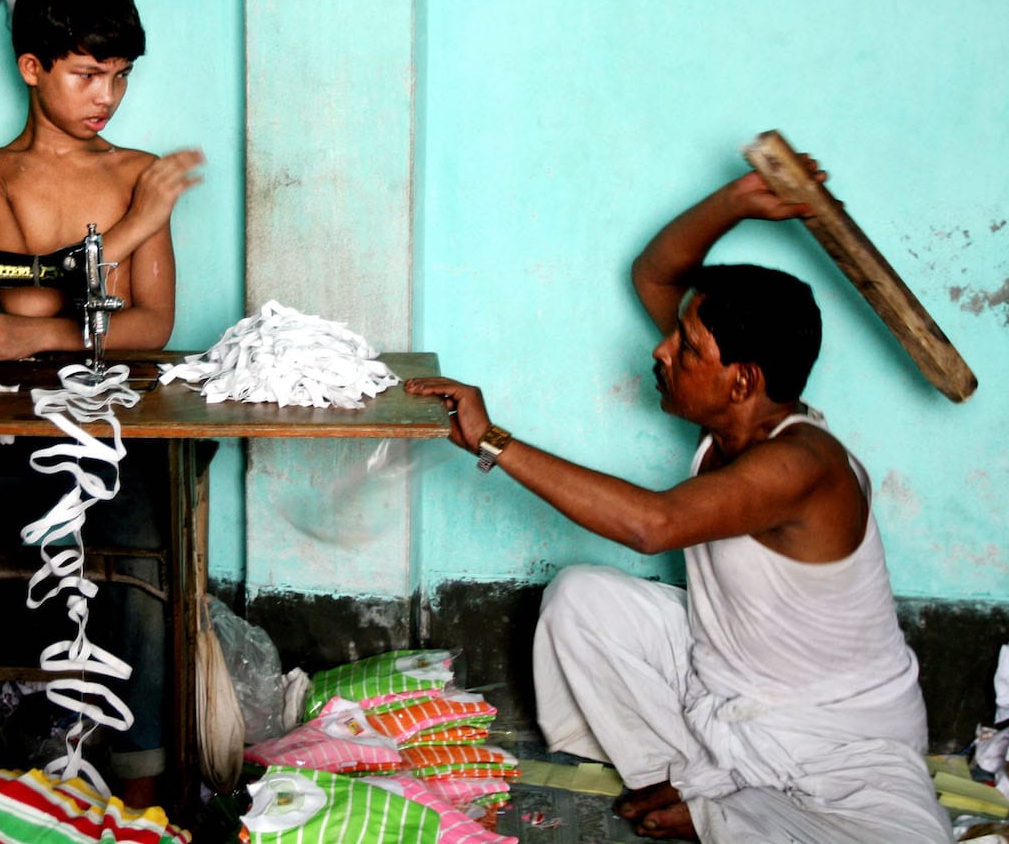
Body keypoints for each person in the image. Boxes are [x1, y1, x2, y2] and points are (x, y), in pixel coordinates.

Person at [405, 168, 951, 843]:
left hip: (838, 741)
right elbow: (654, 277)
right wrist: (740, 200)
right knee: (580, 599)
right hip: (730, 687)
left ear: (741, 380)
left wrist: (492, 438)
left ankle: (722, 803)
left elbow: (652, 524)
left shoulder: (805, 463)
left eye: (686, 347)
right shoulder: (732, 413)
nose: (661, 350)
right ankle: (710, 781)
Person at [0, 0, 202, 808]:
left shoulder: (137, 171)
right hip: (13, 432)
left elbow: (153, 322)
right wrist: (131, 229)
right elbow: (27, 291)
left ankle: (144, 786)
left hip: (109, 427)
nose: (104, 97)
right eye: (84, 73)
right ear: (32, 69)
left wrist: (40, 334)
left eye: (118, 76)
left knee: (145, 559)